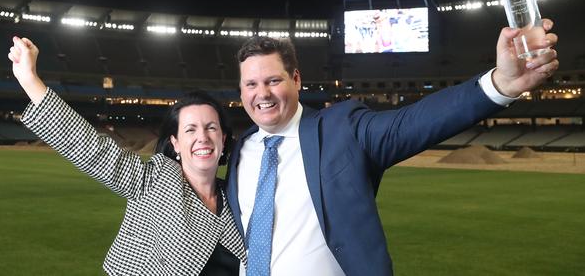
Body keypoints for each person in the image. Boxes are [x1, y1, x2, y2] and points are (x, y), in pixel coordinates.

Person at [226, 20, 559, 276]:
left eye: (273, 81)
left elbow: (412, 123)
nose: (262, 94)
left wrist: (500, 83)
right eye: (251, 84)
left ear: (296, 79)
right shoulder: (242, 151)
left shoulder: (343, 130)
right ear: (241, 90)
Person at [8, 36, 246, 275]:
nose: (202, 137)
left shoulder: (237, 198)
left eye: (211, 127)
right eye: (190, 129)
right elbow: (92, 149)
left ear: (223, 139)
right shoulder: (156, 179)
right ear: (175, 143)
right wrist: (30, 80)